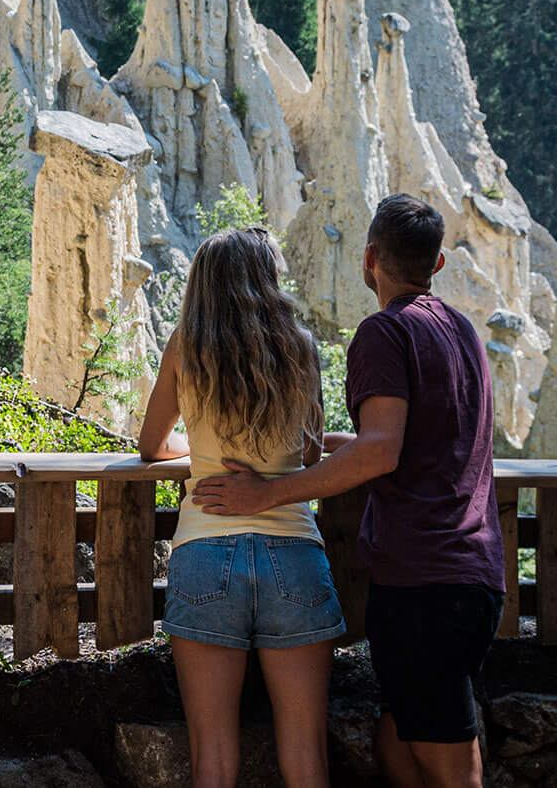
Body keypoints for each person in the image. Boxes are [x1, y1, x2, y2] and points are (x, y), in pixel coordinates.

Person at [192, 194, 504, 788]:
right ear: (436, 266)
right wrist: (337, 440)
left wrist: (269, 492)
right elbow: (420, 434)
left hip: (423, 581)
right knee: (398, 741)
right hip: (476, 571)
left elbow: (382, 449)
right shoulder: (461, 331)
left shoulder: (385, 332)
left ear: (368, 259)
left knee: (451, 765)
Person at [136, 225, 344, 788]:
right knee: (305, 753)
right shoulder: (298, 345)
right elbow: (307, 449)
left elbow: (151, 446)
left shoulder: (185, 345)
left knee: (213, 757)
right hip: (294, 551)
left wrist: (201, 448)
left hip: (206, 547)